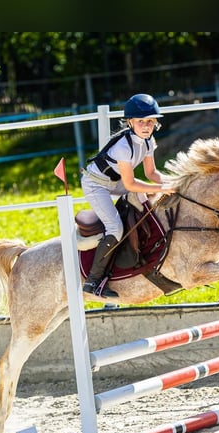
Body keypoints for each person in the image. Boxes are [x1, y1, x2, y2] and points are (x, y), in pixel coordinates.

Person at [80, 93, 175, 298]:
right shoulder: (123, 146)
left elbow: (151, 173)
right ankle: (93, 281)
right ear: (130, 122)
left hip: (116, 182)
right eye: (141, 121)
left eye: (151, 121)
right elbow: (131, 183)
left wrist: (171, 183)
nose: (147, 125)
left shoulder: (149, 141)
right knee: (115, 227)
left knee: (146, 199)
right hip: (96, 184)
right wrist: (160, 189)